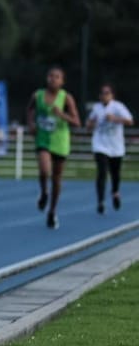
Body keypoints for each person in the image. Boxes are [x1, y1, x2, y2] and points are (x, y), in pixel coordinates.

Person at [26, 66, 81, 229]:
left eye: (57, 77)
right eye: (50, 76)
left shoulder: (66, 98)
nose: (53, 79)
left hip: (60, 141)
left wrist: (62, 114)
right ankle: (44, 192)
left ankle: (52, 210)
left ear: (62, 81)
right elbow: (29, 110)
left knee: (56, 179)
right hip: (42, 139)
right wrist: (31, 124)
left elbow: (77, 122)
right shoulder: (38, 95)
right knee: (44, 170)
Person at [85, 83, 132, 214]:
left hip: (116, 146)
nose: (104, 96)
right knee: (102, 172)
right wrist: (90, 124)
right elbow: (88, 125)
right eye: (102, 93)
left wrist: (115, 118)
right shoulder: (96, 108)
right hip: (100, 145)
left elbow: (130, 121)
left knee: (115, 173)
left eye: (107, 93)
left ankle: (115, 192)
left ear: (112, 95)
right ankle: (100, 201)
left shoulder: (118, 107)